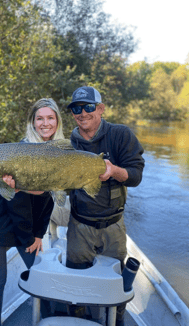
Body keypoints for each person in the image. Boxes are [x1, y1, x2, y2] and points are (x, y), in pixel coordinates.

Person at [0, 98, 65, 326]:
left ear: (57, 120)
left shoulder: (59, 151)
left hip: (25, 225)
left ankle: (51, 318)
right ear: (32, 122)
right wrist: (30, 236)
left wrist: (38, 234)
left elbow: (48, 200)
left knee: (38, 272)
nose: (45, 123)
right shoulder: (22, 150)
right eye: (40, 118)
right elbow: (18, 206)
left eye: (50, 117)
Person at [66, 86, 145, 326]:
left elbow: (136, 175)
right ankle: (80, 318)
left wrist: (114, 171)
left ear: (100, 109)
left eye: (89, 107)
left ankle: (116, 316)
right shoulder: (68, 145)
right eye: (77, 108)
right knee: (76, 280)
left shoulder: (121, 135)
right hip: (79, 224)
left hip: (113, 225)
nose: (83, 113)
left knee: (114, 282)